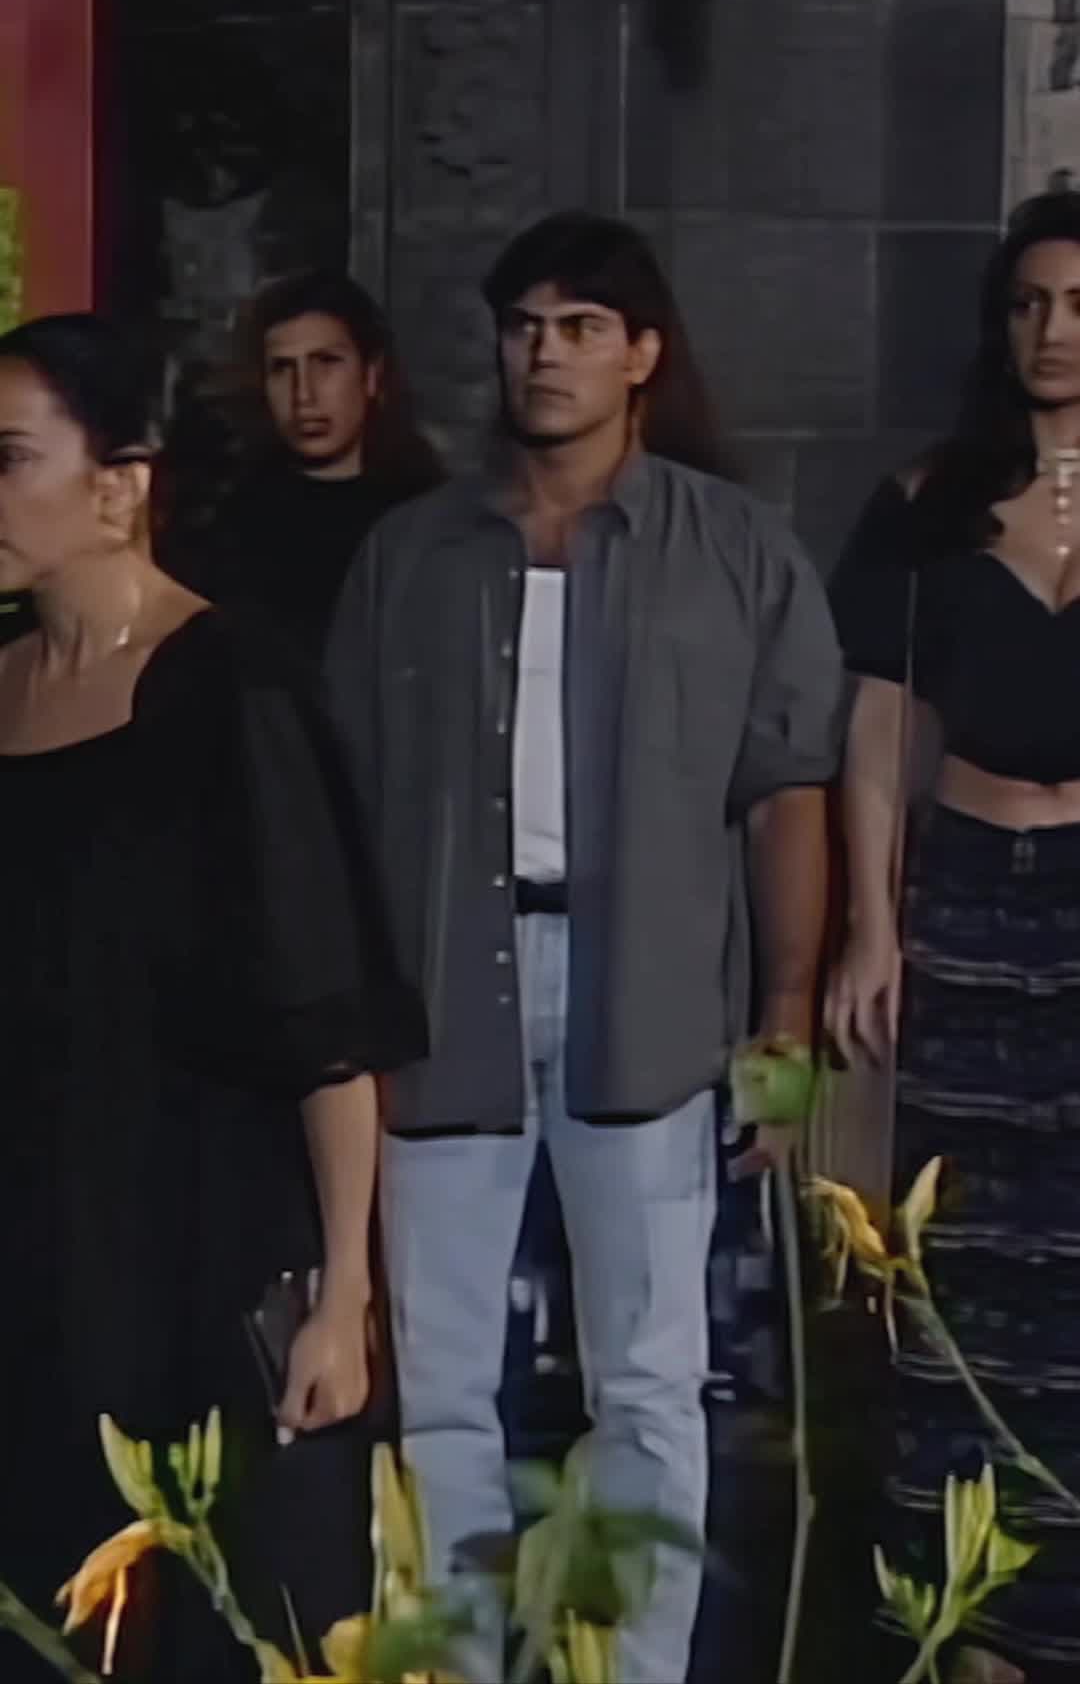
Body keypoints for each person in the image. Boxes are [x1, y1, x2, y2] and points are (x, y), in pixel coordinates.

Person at [326, 210, 845, 1683]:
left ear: (643, 355)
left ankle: (636, 1665)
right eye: (524, 327)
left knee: (653, 1379)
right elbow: (346, 800)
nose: (545, 355)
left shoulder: (729, 547)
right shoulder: (413, 553)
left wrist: (787, 1021)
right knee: (442, 1382)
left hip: (654, 999)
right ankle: (458, 1662)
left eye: (581, 328)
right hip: (445, 994)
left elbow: (786, 791)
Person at [0, 314, 424, 1682]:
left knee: (198, 1607)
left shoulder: (235, 689)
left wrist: (345, 1291)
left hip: (193, 1228)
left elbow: (329, 1018)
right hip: (30, 1231)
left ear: (119, 483)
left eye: (8, 459)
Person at [827, 191, 1080, 1682]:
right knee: (965, 1259)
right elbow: (874, 727)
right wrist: (872, 923)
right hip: (973, 890)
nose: (1055, 332)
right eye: (1031, 303)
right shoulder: (929, 500)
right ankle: (966, 1630)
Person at [161, 269, 439, 653]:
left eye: (326, 362)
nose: (303, 394)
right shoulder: (230, 525)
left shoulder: (426, 521)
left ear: (371, 376)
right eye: (283, 368)